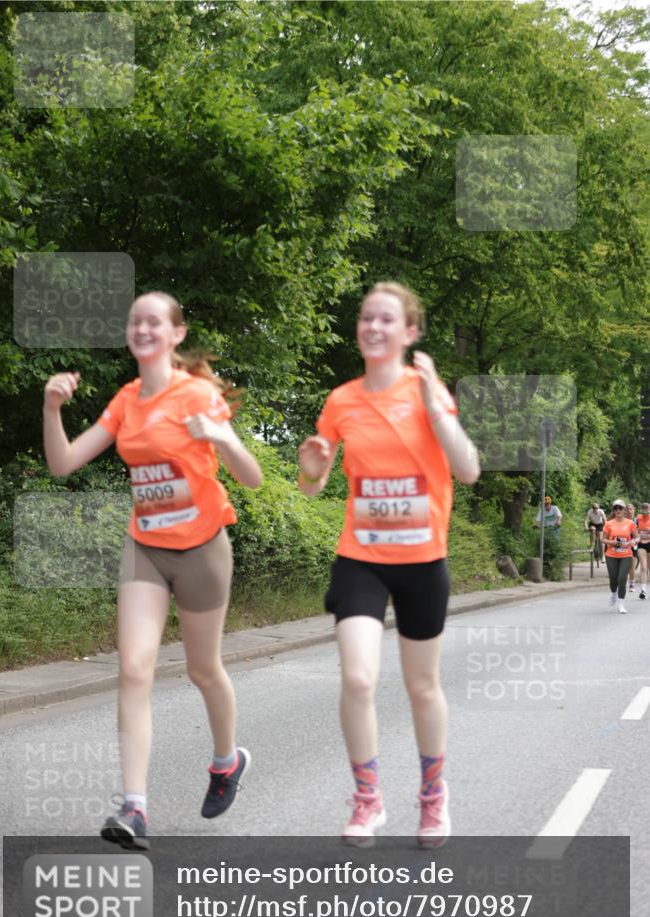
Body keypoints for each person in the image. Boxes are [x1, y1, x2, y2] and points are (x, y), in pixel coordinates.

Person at [43, 292, 263, 849]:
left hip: (203, 547)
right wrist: (51, 411)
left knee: (203, 669)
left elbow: (252, 477)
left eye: (153, 321)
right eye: (134, 320)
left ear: (175, 334)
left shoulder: (198, 394)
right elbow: (64, 463)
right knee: (134, 668)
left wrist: (222, 437)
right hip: (146, 547)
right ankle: (135, 809)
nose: (142, 328)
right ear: (130, 334)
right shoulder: (125, 402)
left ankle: (226, 760)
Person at [298, 282, 480, 848]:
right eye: (365, 318)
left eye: (385, 319)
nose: (372, 327)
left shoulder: (428, 391)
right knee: (357, 676)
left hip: (423, 560)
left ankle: (432, 798)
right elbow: (312, 486)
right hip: (362, 558)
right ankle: (368, 799)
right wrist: (309, 468)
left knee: (422, 686)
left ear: (409, 333)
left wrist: (434, 407)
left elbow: (468, 470)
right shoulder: (342, 400)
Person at [601, 499, 639, 614]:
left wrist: (633, 541)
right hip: (611, 555)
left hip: (626, 555)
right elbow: (602, 539)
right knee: (613, 579)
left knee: (622, 578)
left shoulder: (630, 523)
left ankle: (621, 604)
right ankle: (613, 593)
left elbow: (637, 537)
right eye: (616, 508)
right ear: (613, 510)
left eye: (620, 508)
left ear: (624, 510)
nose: (618, 510)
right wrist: (613, 543)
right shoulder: (609, 523)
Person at [636, 501, 650, 599]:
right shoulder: (638, 518)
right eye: (643, 511)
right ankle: (643, 591)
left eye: (647, 511)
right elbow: (634, 531)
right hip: (641, 544)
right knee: (644, 568)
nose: (645, 513)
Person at [625, 503, 638, 591]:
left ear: (634, 510)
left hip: (634, 544)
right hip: (623, 544)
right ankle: (623, 582)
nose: (629, 511)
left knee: (632, 564)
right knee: (623, 565)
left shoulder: (637, 520)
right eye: (627, 509)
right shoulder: (622, 520)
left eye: (631, 509)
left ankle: (632, 584)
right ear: (625, 511)